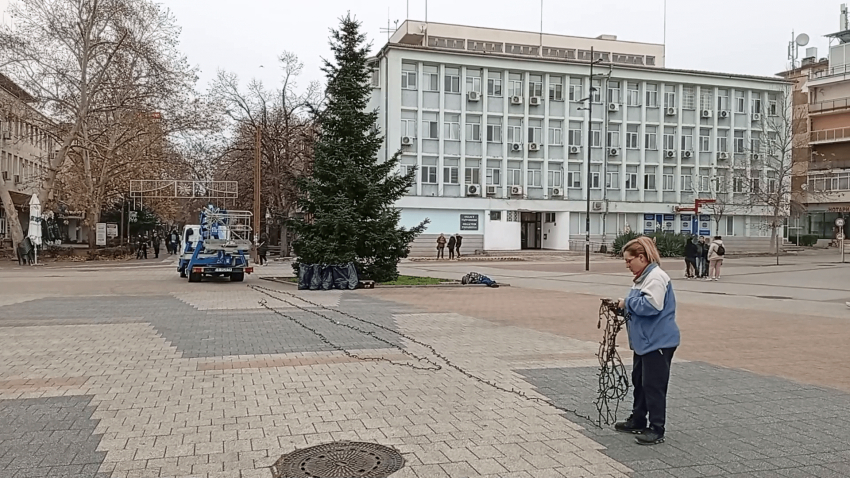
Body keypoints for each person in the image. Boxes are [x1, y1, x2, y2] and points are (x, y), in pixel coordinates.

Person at [615, 236, 680, 446]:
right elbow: (637, 305)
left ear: (641, 257)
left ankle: (656, 428)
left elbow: (652, 306)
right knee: (640, 382)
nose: (627, 265)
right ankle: (638, 419)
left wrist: (627, 302)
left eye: (628, 260)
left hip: (658, 342)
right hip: (645, 342)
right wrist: (621, 308)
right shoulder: (643, 277)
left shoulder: (656, 277)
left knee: (653, 385)